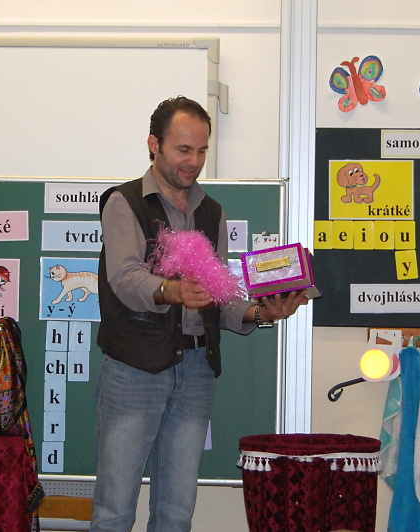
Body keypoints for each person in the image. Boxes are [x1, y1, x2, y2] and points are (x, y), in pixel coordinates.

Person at [91, 95, 309, 532]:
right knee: (114, 510)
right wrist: (173, 290)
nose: (194, 161)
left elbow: (221, 297)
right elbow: (125, 279)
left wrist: (260, 313)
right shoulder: (124, 202)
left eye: (202, 150)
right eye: (183, 149)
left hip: (196, 371)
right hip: (134, 369)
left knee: (177, 513)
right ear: (154, 144)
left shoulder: (212, 212)